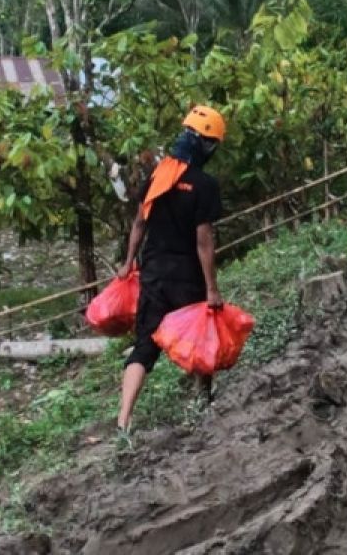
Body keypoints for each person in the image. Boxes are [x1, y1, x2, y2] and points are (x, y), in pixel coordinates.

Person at [115, 105, 227, 441]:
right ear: (207, 146)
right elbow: (203, 240)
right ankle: (202, 400)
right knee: (200, 336)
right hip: (186, 276)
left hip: (153, 273)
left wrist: (128, 261)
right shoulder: (204, 185)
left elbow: (138, 223)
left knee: (144, 346)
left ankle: (123, 419)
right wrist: (211, 289)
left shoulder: (159, 176)